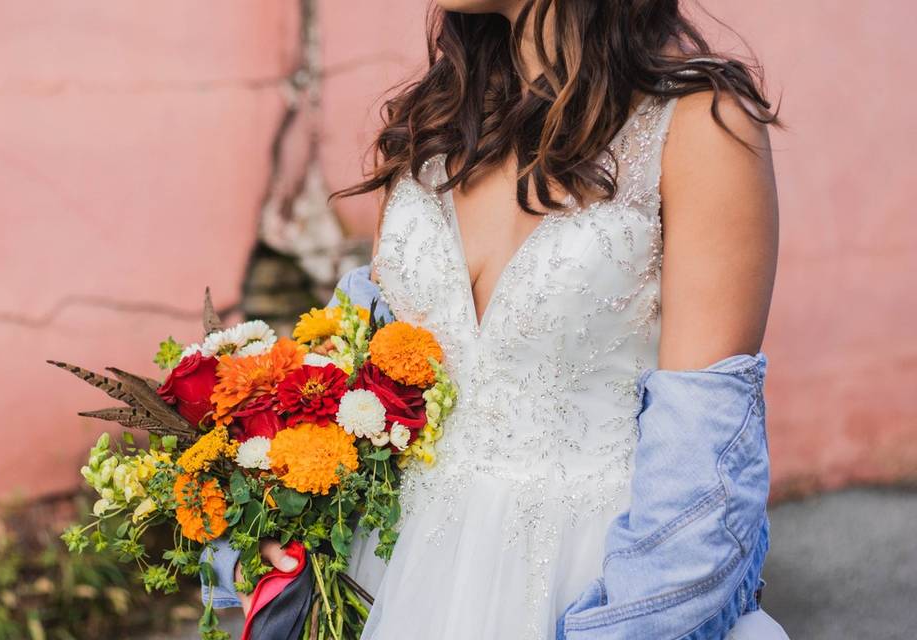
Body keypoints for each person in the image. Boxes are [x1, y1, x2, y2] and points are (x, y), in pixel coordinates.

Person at [206, 1, 790, 637]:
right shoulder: (433, 121)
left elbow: (702, 468)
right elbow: (367, 385)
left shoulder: (700, 124)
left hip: (591, 578)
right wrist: (285, 516)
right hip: (395, 575)